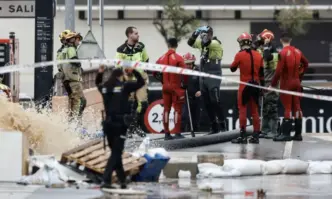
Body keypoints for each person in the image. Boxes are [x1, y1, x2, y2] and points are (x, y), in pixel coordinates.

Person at [96, 65, 145, 189]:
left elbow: (97, 83)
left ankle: (122, 180)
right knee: (116, 153)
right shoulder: (125, 86)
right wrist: (133, 71)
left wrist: (100, 73)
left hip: (108, 125)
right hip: (120, 125)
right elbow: (141, 82)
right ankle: (106, 179)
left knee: (115, 152)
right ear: (120, 76)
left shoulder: (105, 87)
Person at [187, 25, 227, 134]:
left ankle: (223, 124)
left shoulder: (215, 43)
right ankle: (213, 126)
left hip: (214, 73)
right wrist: (195, 33)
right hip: (204, 73)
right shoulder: (202, 43)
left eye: (205, 34)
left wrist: (204, 35)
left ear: (210, 35)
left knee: (215, 100)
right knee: (206, 102)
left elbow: (206, 43)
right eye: (202, 34)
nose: (203, 36)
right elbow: (190, 43)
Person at [270, 32, 309, 142]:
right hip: (296, 82)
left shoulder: (282, 52)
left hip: (286, 83)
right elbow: (306, 64)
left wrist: (272, 84)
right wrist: (299, 77)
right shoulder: (298, 51)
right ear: (290, 40)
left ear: (281, 40)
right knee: (297, 107)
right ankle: (298, 134)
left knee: (287, 107)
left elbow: (278, 71)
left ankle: (286, 134)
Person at [230, 32, 265, 144]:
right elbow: (262, 73)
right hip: (255, 85)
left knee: (243, 110)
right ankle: (255, 136)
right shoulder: (258, 55)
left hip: (244, 85)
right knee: (255, 111)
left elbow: (232, 68)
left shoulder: (239, 55)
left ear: (241, 43)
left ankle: (243, 136)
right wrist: (262, 88)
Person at [115, 26, 149, 137]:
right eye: (135, 33)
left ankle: (136, 127)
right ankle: (130, 128)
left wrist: (144, 73)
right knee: (129, 105)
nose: (138, 35)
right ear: (129, 35)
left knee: (143, 104)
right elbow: (118, 66)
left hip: (140, 80)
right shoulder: (120, 49)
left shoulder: (141, 46)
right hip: (128, 81)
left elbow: (146, 60)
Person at [154, 38, 187, 140]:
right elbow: (185, 74)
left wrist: (162, 81)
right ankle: (177, 133)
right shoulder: (179, 58)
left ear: (167, 45)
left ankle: (167, 134)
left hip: (165, 87)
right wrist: (184, 85)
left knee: (166, 110)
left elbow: (155, 72)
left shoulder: (161, 58)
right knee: (177, 110)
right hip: (176, 87)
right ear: (176, 45)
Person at [255, 29, 280, 139]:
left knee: (272, 108)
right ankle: (265, 130)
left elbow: (267, 57)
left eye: (262, 39)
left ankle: (273, 131)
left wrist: (265, 45)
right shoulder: (264, 50)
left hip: (272, 85)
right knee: (265, 108)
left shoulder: (273, 53)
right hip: (264, 84)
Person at [61, 31, 86, 122]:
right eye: (77, 39)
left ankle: (72, 122)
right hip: (73, 80)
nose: (79, 42)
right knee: (80, 101)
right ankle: (76, 123)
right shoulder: (71, 49)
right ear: (72, 39)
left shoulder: (64, 50)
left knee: (73, 102)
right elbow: (74, 60)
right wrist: (79, 63)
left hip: (67, 79)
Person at [181, 52, 202, 132]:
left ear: (193, 63)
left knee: (196, 119)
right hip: (185, 98)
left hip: (196, 99)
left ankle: (195, 135)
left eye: (190, 64)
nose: (188, 66)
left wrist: (200, 91)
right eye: (187, 64)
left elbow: (203, 83)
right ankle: (182, 133)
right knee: (184, 117)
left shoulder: (198, 71)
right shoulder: (181, 71)